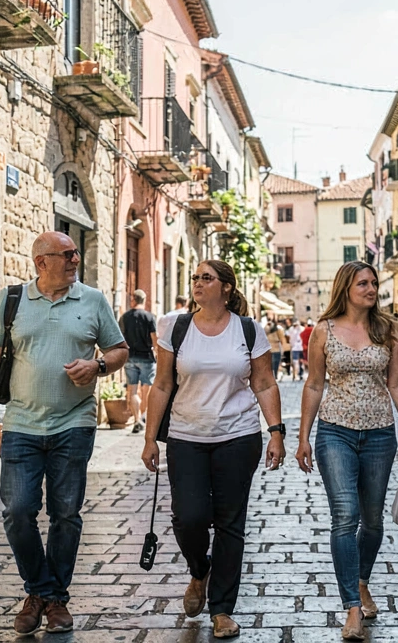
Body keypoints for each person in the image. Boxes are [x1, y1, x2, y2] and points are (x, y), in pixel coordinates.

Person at [0, 232, 129, 635]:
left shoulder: (92, 300)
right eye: (67, 254)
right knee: (18, 511)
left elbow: (119, 349)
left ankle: (54, 599)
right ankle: (41, 589)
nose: (76, 259)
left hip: (74, 422)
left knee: (66, 513)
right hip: (21, 424)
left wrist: (99, 366)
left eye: (77, 252)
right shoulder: (11, 301)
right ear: (42, 262)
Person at [141, 260, 286, 639]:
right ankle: (199, 570)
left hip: (238, 436)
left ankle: (222, 609)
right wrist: (149, 438)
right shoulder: (176, 327)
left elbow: (265, 383)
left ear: (226, 287)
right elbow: (161, 384)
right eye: (195, 277)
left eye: (207, 278)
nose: (198, 283)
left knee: (230, 524)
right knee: (188, 517)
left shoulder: (249, 330)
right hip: (186, 436)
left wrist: (275, 432)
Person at [295, 262, 398, 640]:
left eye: (373, 283)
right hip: (335, 433)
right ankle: (351, 605)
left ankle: (362, 579)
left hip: (380, 434)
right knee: (345, 517)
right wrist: (303, 436)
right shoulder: (324, 330)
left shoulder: (388, 328)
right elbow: (314, 384)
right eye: (362, 283)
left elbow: (397, 380)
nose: (370, 288)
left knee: (374, 522)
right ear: (345, 287)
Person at [121, 290, 158, 434]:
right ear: (144, 300)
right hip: (147, 358)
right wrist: (157, 353)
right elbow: (154, 338)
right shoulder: (149, 317)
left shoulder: (125, 317)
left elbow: (120, 338)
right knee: (146, 390)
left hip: (130, 357)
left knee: (133, 390)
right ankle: (144, 417)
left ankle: (137, 420)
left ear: (133, 300)